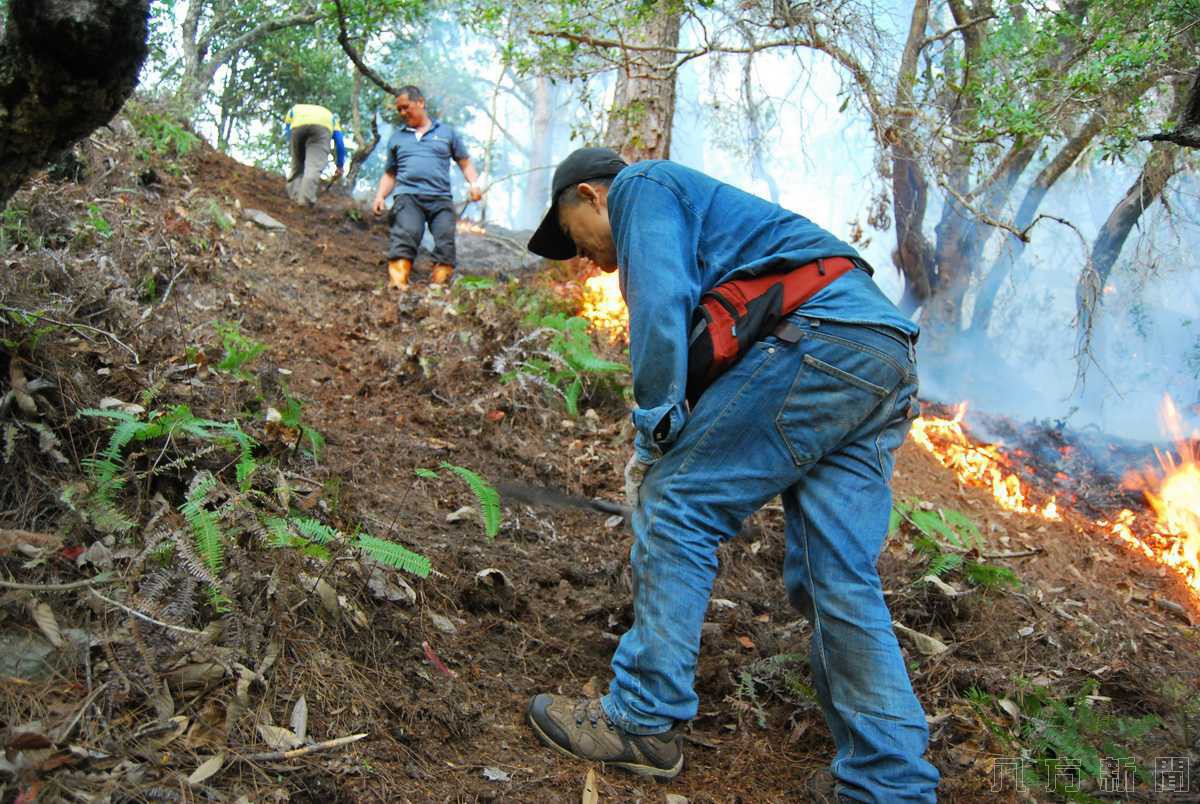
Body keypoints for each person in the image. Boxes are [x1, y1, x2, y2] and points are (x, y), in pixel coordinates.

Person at [523, 148, 940, 803]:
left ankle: (642, 718)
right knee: (838, 578)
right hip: (881, 351)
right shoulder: (708, 216)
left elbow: (662, 302)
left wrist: (654, 431)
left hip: (821, 336)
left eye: (571, 235)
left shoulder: (642, 185)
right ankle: (889, 784)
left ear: (590, 195)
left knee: (678, 501)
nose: (581, 256)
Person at [371, 85, 483, 290]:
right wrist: (380, 196)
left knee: (445, 240)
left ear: (420, 102)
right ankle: (397, 284)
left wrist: (474, 185)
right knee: (406, 233)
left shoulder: (447, 133)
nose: (403, 113)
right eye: (399, 110)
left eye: (406, 107)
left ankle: (440, 286)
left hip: (440, 198)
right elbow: (390, 173)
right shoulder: (397, 137)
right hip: (408, 196)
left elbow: (465, 163)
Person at [283, 103, 345, 206]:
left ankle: (294, 197)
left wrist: (294, 149)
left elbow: (287, 131)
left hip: (297, 127)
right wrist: (340, 165)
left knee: (297, 165)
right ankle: (304, 202)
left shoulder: (295, 109)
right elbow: (339, 142)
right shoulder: (331, 116)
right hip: (322, 129)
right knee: (313, 167)